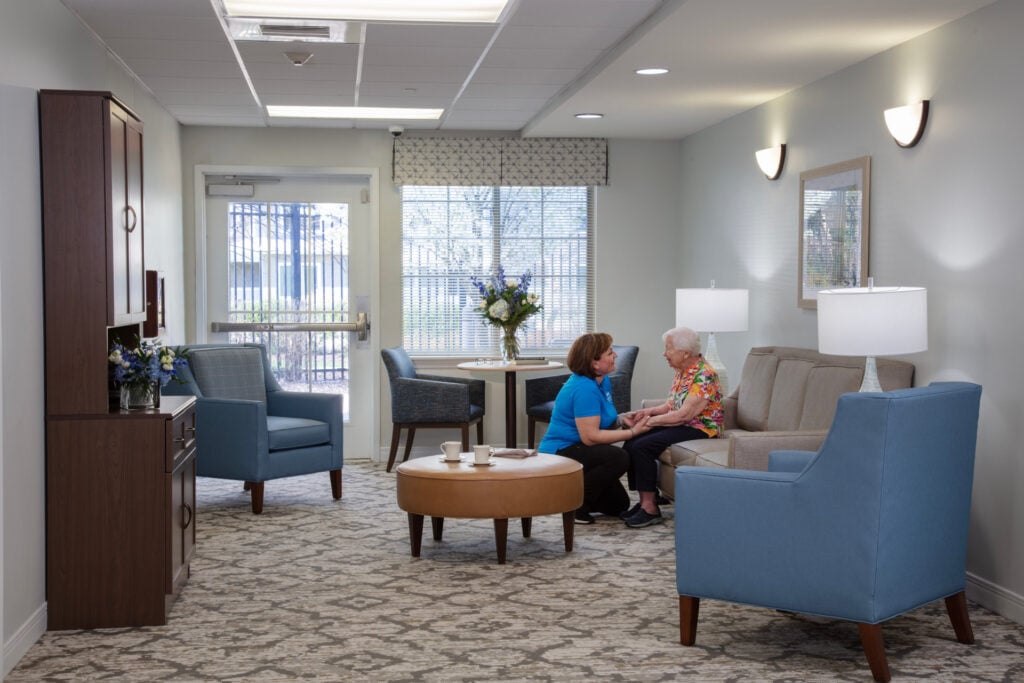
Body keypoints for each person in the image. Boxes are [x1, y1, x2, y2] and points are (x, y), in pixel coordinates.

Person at [539, 333, 653, 524]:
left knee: (618, 506)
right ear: (594, 363)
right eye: (609, 352)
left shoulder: (602, 380)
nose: (615, 355)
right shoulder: (584, 388)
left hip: (581, 448)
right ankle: (576, 507)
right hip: (561, 450)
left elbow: (600, 421)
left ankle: (572, 492)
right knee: (619, 457)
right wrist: (633, 432)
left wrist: (622, 420)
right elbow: (590, 437)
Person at [619, 327, 723, 528]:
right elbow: (671, 405)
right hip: (683, 422)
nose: (664, 354)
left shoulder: (704, 375)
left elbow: (685, 414)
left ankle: (650, 509)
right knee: (632, 441)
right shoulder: (682, 370)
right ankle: (646, 499)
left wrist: (648, 423)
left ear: (685, 353)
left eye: (668, 349)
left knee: (643, 445)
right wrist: (648, 413)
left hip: (701, 428)